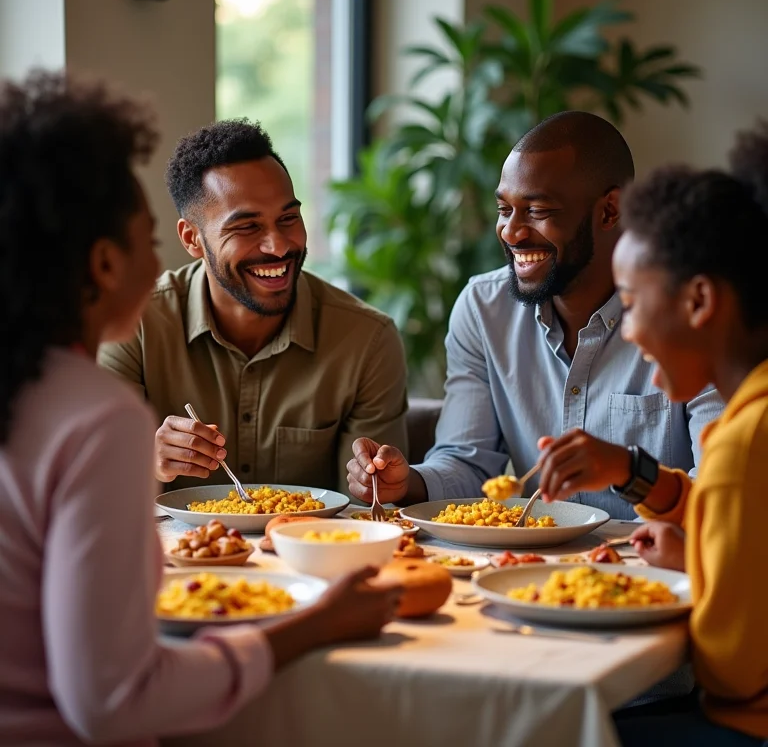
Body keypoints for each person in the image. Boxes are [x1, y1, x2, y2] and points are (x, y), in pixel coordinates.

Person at [0, 70, 400, 746]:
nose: (158, 262)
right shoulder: (98, 418)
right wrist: (311, 628)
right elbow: (113, 702)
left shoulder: (31, 387)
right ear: (105, 263)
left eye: (289, 218)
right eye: (147, 239)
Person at [347, 111, 722, 522]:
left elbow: (720, 492)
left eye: (538, 211)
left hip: (655, 568)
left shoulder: (688, 316)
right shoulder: (483, 309)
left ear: (610, 211)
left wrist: (631, 472)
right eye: (504, 209)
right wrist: (407, 482)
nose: (511, 232)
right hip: (527, 572)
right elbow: (470, 464)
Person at [537, 125, 768, 746]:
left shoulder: (744, 441)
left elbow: (734, 665)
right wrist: (647, 484)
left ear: (698, 302)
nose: (628, 332)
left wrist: (691, 571)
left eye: (634, 303)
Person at [98, 118, 408, 494]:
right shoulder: (133, 324)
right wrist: (146, 462)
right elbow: (92, 485)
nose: (278, 246)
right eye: (246, 227)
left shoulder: (367, 339)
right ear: (192, 239)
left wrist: (374, 482)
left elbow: (368, 508)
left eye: (288, 218)